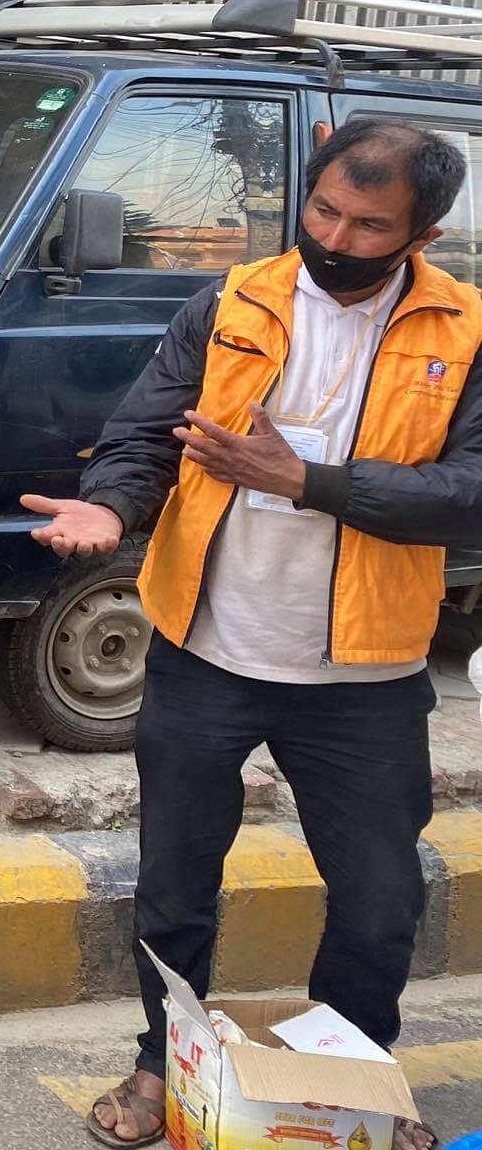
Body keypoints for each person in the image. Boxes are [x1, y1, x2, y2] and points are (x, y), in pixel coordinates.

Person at [25, 118, 480, 1150]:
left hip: (365, 674)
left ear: (425, 231)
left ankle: (348, 1077)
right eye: (322, 209)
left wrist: (306, 483)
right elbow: (145, 430)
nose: (335, 235)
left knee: (375, 899)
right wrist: (111, 508)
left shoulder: (467, 332)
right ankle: (158, 1064)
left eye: (369, 224)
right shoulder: (230, 303)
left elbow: (469, 497)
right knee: (174, 884)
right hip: (205, 651)